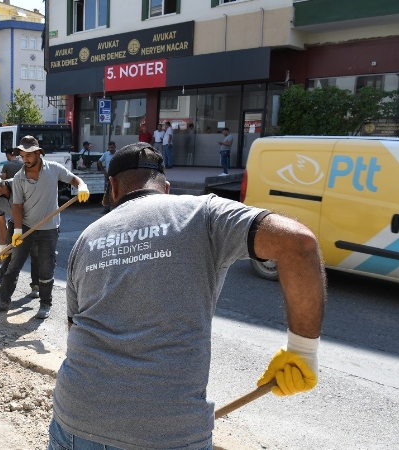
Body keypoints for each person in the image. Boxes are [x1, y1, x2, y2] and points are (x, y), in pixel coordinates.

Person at [49, 142, 325, 450]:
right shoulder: (203, 213)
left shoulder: (87, 238)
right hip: (168, 432)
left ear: (113, 187)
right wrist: (303, 352)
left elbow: (75, 331)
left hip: (75, 417)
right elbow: (298, 243)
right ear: (165, 187)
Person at [0, 136, 90, 319]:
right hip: (26, 227)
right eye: (22, 155)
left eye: (28, 155)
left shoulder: (54, 169)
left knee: (46, 266)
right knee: (14, 264)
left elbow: (74, 179)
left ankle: (45, 304)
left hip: (49, 228)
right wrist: (18, 230)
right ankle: (3, 301)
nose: (24, 158)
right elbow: (17, 205)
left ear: (38, 153)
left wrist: (82, 186)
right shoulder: (18, 178)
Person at [0, 174, 40, 299]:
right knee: (8, 255)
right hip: (14, 223)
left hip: (34, 223)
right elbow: (1, 222)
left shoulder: (19, 185)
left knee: (36, 253)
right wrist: (3, 245)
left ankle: (36, 285)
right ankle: (3, 286)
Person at [96, 141, 117, 214]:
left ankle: (116, 207)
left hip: (117, 175)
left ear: (115, 147)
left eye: (112, 147)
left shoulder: (118, 154)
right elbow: (99, 161)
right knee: (107, 191)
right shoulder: (106, 154)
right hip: (108, 175)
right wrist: (103, 170)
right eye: (109, 147)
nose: (110, 149)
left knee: (116, 191)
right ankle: (107, 208)